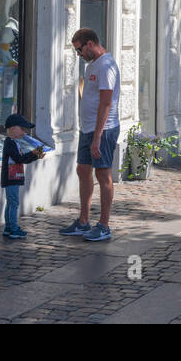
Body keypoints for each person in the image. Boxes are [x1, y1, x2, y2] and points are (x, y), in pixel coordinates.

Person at [60, 28, 119, 242]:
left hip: (103, 130)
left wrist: (97, 136)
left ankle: (104, 225)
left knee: (103, 175)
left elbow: (106, 102)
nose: (78, 55)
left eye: (79, 50)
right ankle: (83, 221)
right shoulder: (92, 64)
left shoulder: (106, 65)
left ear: (90, 44)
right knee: (82, 170)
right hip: (88, 129)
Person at [1, 113, 45, 239]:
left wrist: (35, 154)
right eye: (22, 129)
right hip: (10, 178)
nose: (24, 132)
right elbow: (20, 159)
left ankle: (9, 227)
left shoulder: (14, 142)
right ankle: (13, 229)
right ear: (13, 128)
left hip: (13, 177)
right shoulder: (9, 143)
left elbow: (21, 158)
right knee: (13, 203)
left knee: (11, 203)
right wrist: (34, 154)